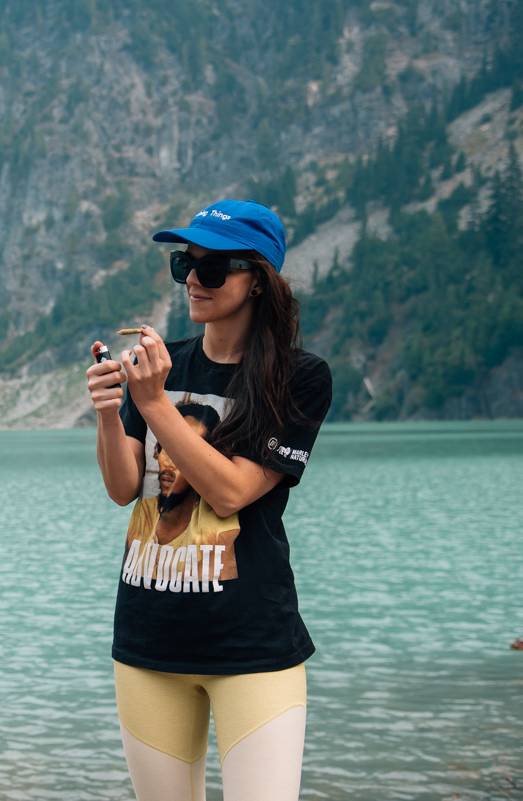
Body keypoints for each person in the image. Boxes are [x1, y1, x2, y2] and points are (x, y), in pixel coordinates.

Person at [85, 199, 332, 801]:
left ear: (257, 283)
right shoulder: (158, 366)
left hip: (253, 646)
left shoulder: (300, 376)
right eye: (184, 265)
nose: (193, 280)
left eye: (213, 268)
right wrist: (107, 414)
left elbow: (231, 492)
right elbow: (123, 490)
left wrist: (153, 403)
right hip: (148, 641)